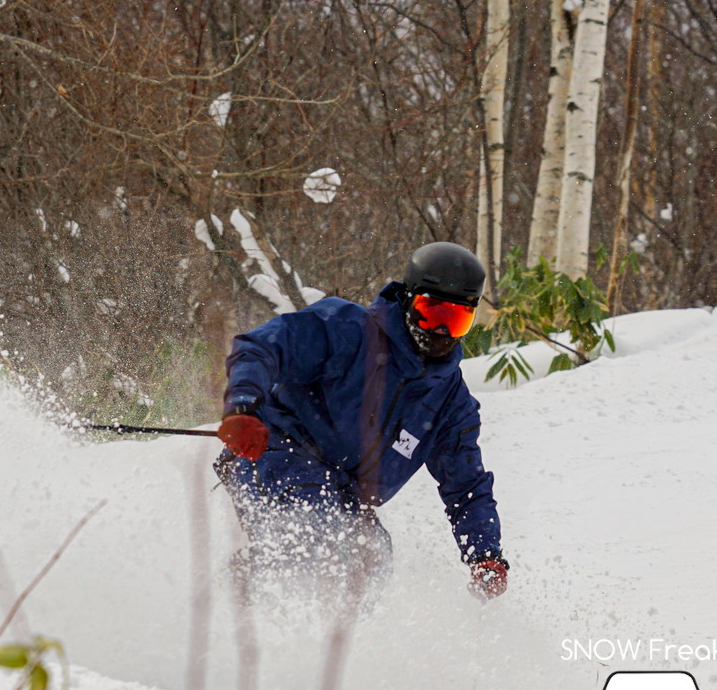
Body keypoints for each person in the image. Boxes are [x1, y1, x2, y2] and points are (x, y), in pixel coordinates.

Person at [214, 242, 507, 611]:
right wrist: (243, 408)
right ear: (408, 301)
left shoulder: (449, 402)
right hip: (275, 451)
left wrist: (484, 554)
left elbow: (466, 486)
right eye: (432, 314)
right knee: (313, 530)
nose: (442, 332)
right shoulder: (346, 330)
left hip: (345, 494)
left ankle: (340, 652)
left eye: (457, 319)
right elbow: (261, 348)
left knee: (372, 557)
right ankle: (233, 617)